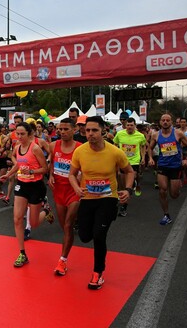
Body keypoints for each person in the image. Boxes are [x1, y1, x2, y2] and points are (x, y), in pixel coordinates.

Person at [68, 116, 134, 290]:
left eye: (94, 130)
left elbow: (130, 171)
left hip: (108, 199)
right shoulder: (80, 151)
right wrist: (76, 187)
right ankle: (97, 265)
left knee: (99, 236)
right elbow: (72, 174)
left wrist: (127, 190)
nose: (90, 134)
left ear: (103, 131)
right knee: (84, 236)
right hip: (87, 199)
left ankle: (98, 273)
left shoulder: (115, 152)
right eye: (88, 130)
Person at [0, 122, 50, 268]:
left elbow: (45, 168)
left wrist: (32, 172)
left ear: (29, 134)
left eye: (22, 134)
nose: (19, 137)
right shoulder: (17, 147)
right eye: (17, 134)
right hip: (22, 185)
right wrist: (8, 174)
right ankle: (22, 253)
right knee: (17, 219)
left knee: (33, 223)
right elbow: (19, 165)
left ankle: (46, 210)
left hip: (36, 186)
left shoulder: (35, 148)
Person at [48, 118, 82, 275]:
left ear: (74, 130)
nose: (61, 132)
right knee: (64, 227)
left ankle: (62, 261)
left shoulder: (80, 148)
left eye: (65, 129)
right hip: (58, 190)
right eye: (60, 129)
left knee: (68, 225)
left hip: (74, 190)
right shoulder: (53, 145)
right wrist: (50, 176)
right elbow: (52, 163)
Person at [148, 114, 187, 225]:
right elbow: (150, 147)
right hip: (162, 165)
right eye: (163, 120)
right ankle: (166, 215)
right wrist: (150, 158)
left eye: (167, 120)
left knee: (174, 195)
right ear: (160, 122)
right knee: (162, 191)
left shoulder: (178, 133)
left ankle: (177, 187)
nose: (165, 122)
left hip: (175, 167)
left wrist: (186, 159)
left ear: (171, 122)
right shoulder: (156, 135)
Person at [113, 117, 147, 216]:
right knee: (123, 184)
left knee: (129, 184)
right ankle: (130, 188)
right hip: (122, 161)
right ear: (125, 126)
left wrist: (143, 157)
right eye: (128, 125)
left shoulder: (140, 136)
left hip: (134, 162)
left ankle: (124, 207)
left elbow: (143, 146)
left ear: (134, 126)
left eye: (131, 125)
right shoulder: (120, 134)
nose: (129, 127)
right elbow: (115, 144)